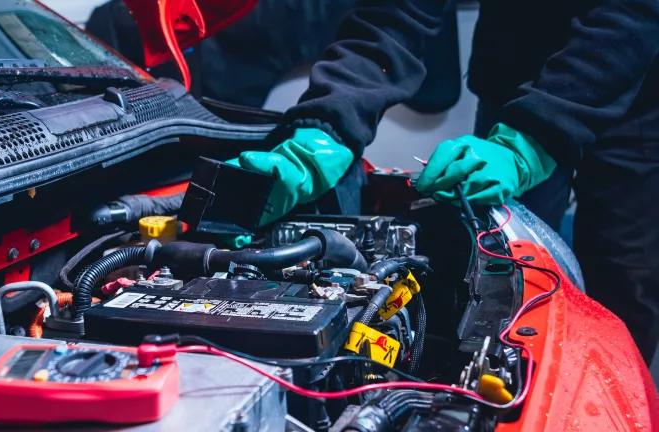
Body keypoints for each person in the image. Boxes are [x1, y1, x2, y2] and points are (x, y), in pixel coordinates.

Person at [227, 0, 659, 367]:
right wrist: (329, 123)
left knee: (625, 277)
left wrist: (535, 137)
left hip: (637, 89)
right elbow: (396, 14)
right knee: (508, 278)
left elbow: (632, 15)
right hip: (514, 77)